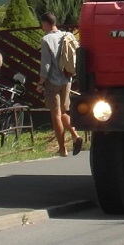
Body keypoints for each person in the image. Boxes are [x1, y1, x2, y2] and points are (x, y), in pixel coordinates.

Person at [37, 12, 83, 157]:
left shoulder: (46, 39)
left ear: (46, 23)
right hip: (67, 79)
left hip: (53, 81)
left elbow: (46, 64)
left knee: (55, 114)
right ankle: (75, 136)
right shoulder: (67, 35)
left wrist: (40, 82)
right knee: (63, 112)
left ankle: (63, 148)